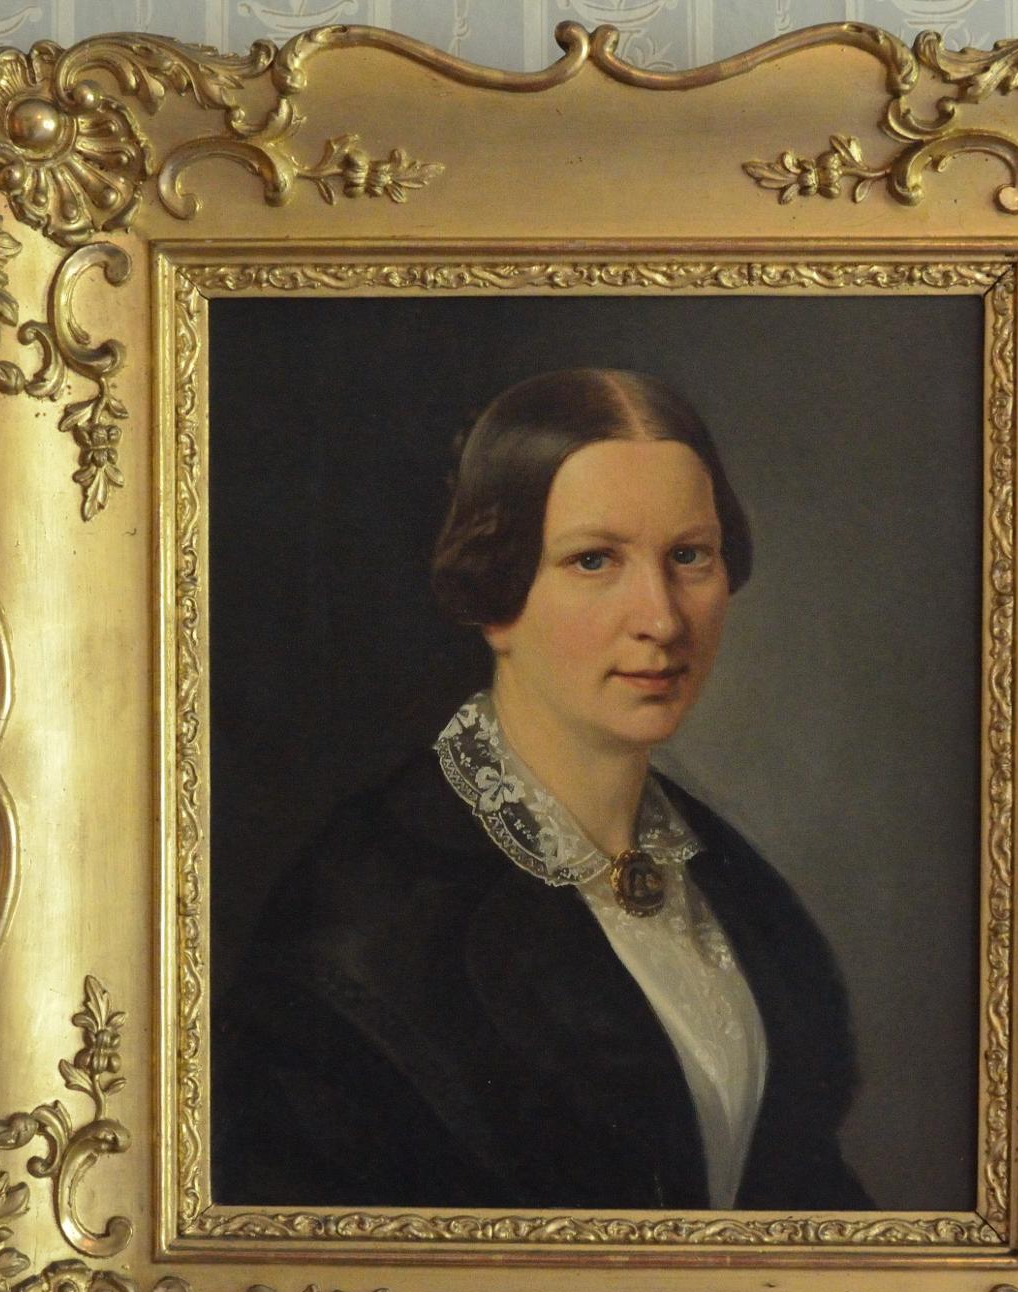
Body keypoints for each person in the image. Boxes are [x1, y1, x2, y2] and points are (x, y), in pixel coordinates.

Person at [212, 368, 870, 1212]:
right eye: (594, 560)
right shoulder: (366, 915)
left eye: (688, 557)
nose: (662, 619)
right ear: (495, 592)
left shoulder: (736, 890)